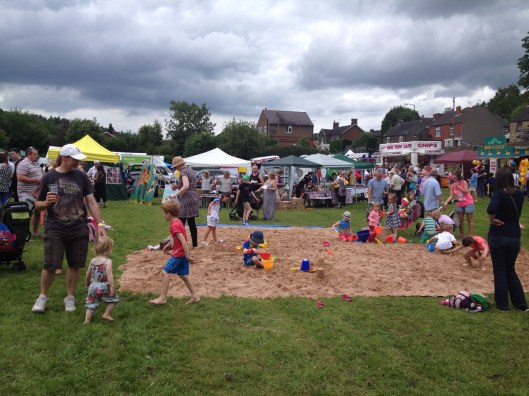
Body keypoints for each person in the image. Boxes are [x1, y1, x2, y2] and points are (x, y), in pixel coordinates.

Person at [31, 144, 106, 313]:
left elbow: (92, 201)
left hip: (78, 227)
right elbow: (38, 204)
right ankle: (42, 297)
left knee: (75, 264)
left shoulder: (82, 177)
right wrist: (47, 203)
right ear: (64, 158)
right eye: (74, 159)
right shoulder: (49, 176)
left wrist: (99, 224)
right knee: (50, 264)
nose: (78, 163)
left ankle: (70, 297)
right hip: (55, 227)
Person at [486, 166, 527, 311]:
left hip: (498, 234)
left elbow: (491, 209)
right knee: (510, 269)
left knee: (499, 270)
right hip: (514, 235)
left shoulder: (498, 194)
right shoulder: (520, 194)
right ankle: (520, 303)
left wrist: (492, 220)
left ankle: (502, 303)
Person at [149, 201, 199, 305]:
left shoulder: (174, 225)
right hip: (181, 253)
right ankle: (195, 296)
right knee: (183, 275)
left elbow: (183, 241)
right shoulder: (178, 221)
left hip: (179, 255)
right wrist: (169, 245)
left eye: (164, 213)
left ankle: (162, 298)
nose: (163, 215)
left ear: (169, 214)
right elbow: (177, 237)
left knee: (165, 272)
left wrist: (187, 256)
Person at [84, 236, 118, 324]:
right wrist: (112, 287)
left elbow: (88, 273)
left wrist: (87, 282)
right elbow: (109, 274)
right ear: (108, 249)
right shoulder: (107, 261)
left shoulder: (92, 261)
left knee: (91, 303)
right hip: (104, 285)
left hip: (93, 285)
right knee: (113, 299)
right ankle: (106, 314)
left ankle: (87, 321)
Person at [171, 156, 199, 247]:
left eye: (175, 167)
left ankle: (179, 244)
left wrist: (176, 194)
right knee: (191, 222)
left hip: (186, 199)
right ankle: (194, 245)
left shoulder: (183, 172)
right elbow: (189, 185)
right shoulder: (190, 170)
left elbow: (186, 186)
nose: (175, 168)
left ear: (179, 165)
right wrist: (177, 187)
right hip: (193, 197)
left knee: (180, 222)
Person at [17, 146, 43, 235]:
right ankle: (24, 234)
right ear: (29, 154)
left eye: (37, 154)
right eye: (35, 154)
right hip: (26, 193)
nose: (37, 156)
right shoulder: (23, 164)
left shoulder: (35, 163)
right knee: (26, 214)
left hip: (36, 193)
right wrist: (36, 180)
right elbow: (20, 177)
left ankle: (35, 232)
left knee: (37, 213)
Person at [441, 171, 474, 237]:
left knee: (469, 220)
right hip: (460, 204)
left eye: (455, 178)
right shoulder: (452, 185)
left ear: (459, 177)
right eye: (453, 178)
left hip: (468, 203)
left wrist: (459, 187)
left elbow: (466, 192)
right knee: (460, 220)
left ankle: (470, 234)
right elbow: (451, 196)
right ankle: (462, 234)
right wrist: (446, 202)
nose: (454, 179)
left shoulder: (464, 182)